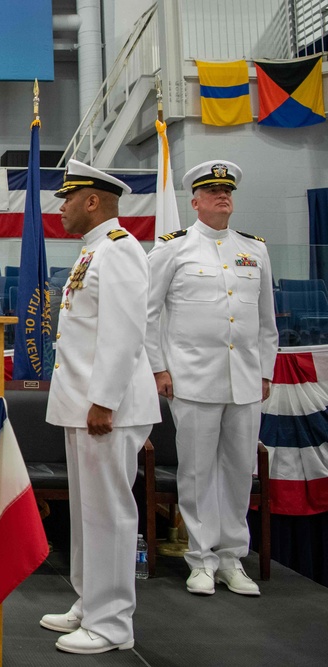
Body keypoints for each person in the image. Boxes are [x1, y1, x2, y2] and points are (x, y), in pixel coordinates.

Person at [43, 161, 160, 654]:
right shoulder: (92, 252)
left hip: (106, 408)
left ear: (93, 201)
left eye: (68, 198)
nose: (62, 207)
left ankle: (112, 623)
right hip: (83, 404)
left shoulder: (120, 250)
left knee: (110, 512)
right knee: (88, 514)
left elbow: (124, 332)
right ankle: (90, 601)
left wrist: (104, 402)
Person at [145, 160, 277, 597]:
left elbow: (265, 322)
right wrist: (159, 367)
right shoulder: (173, 248)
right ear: (195, 201)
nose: (223, 196)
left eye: (228, 190)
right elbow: (149, 314)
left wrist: (264, 371)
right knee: (199, 471)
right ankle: (200, 558)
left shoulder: (254, 250)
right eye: (213, 191)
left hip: (244, 380)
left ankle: (232, 558)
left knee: (239, 471)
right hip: (192, 378)